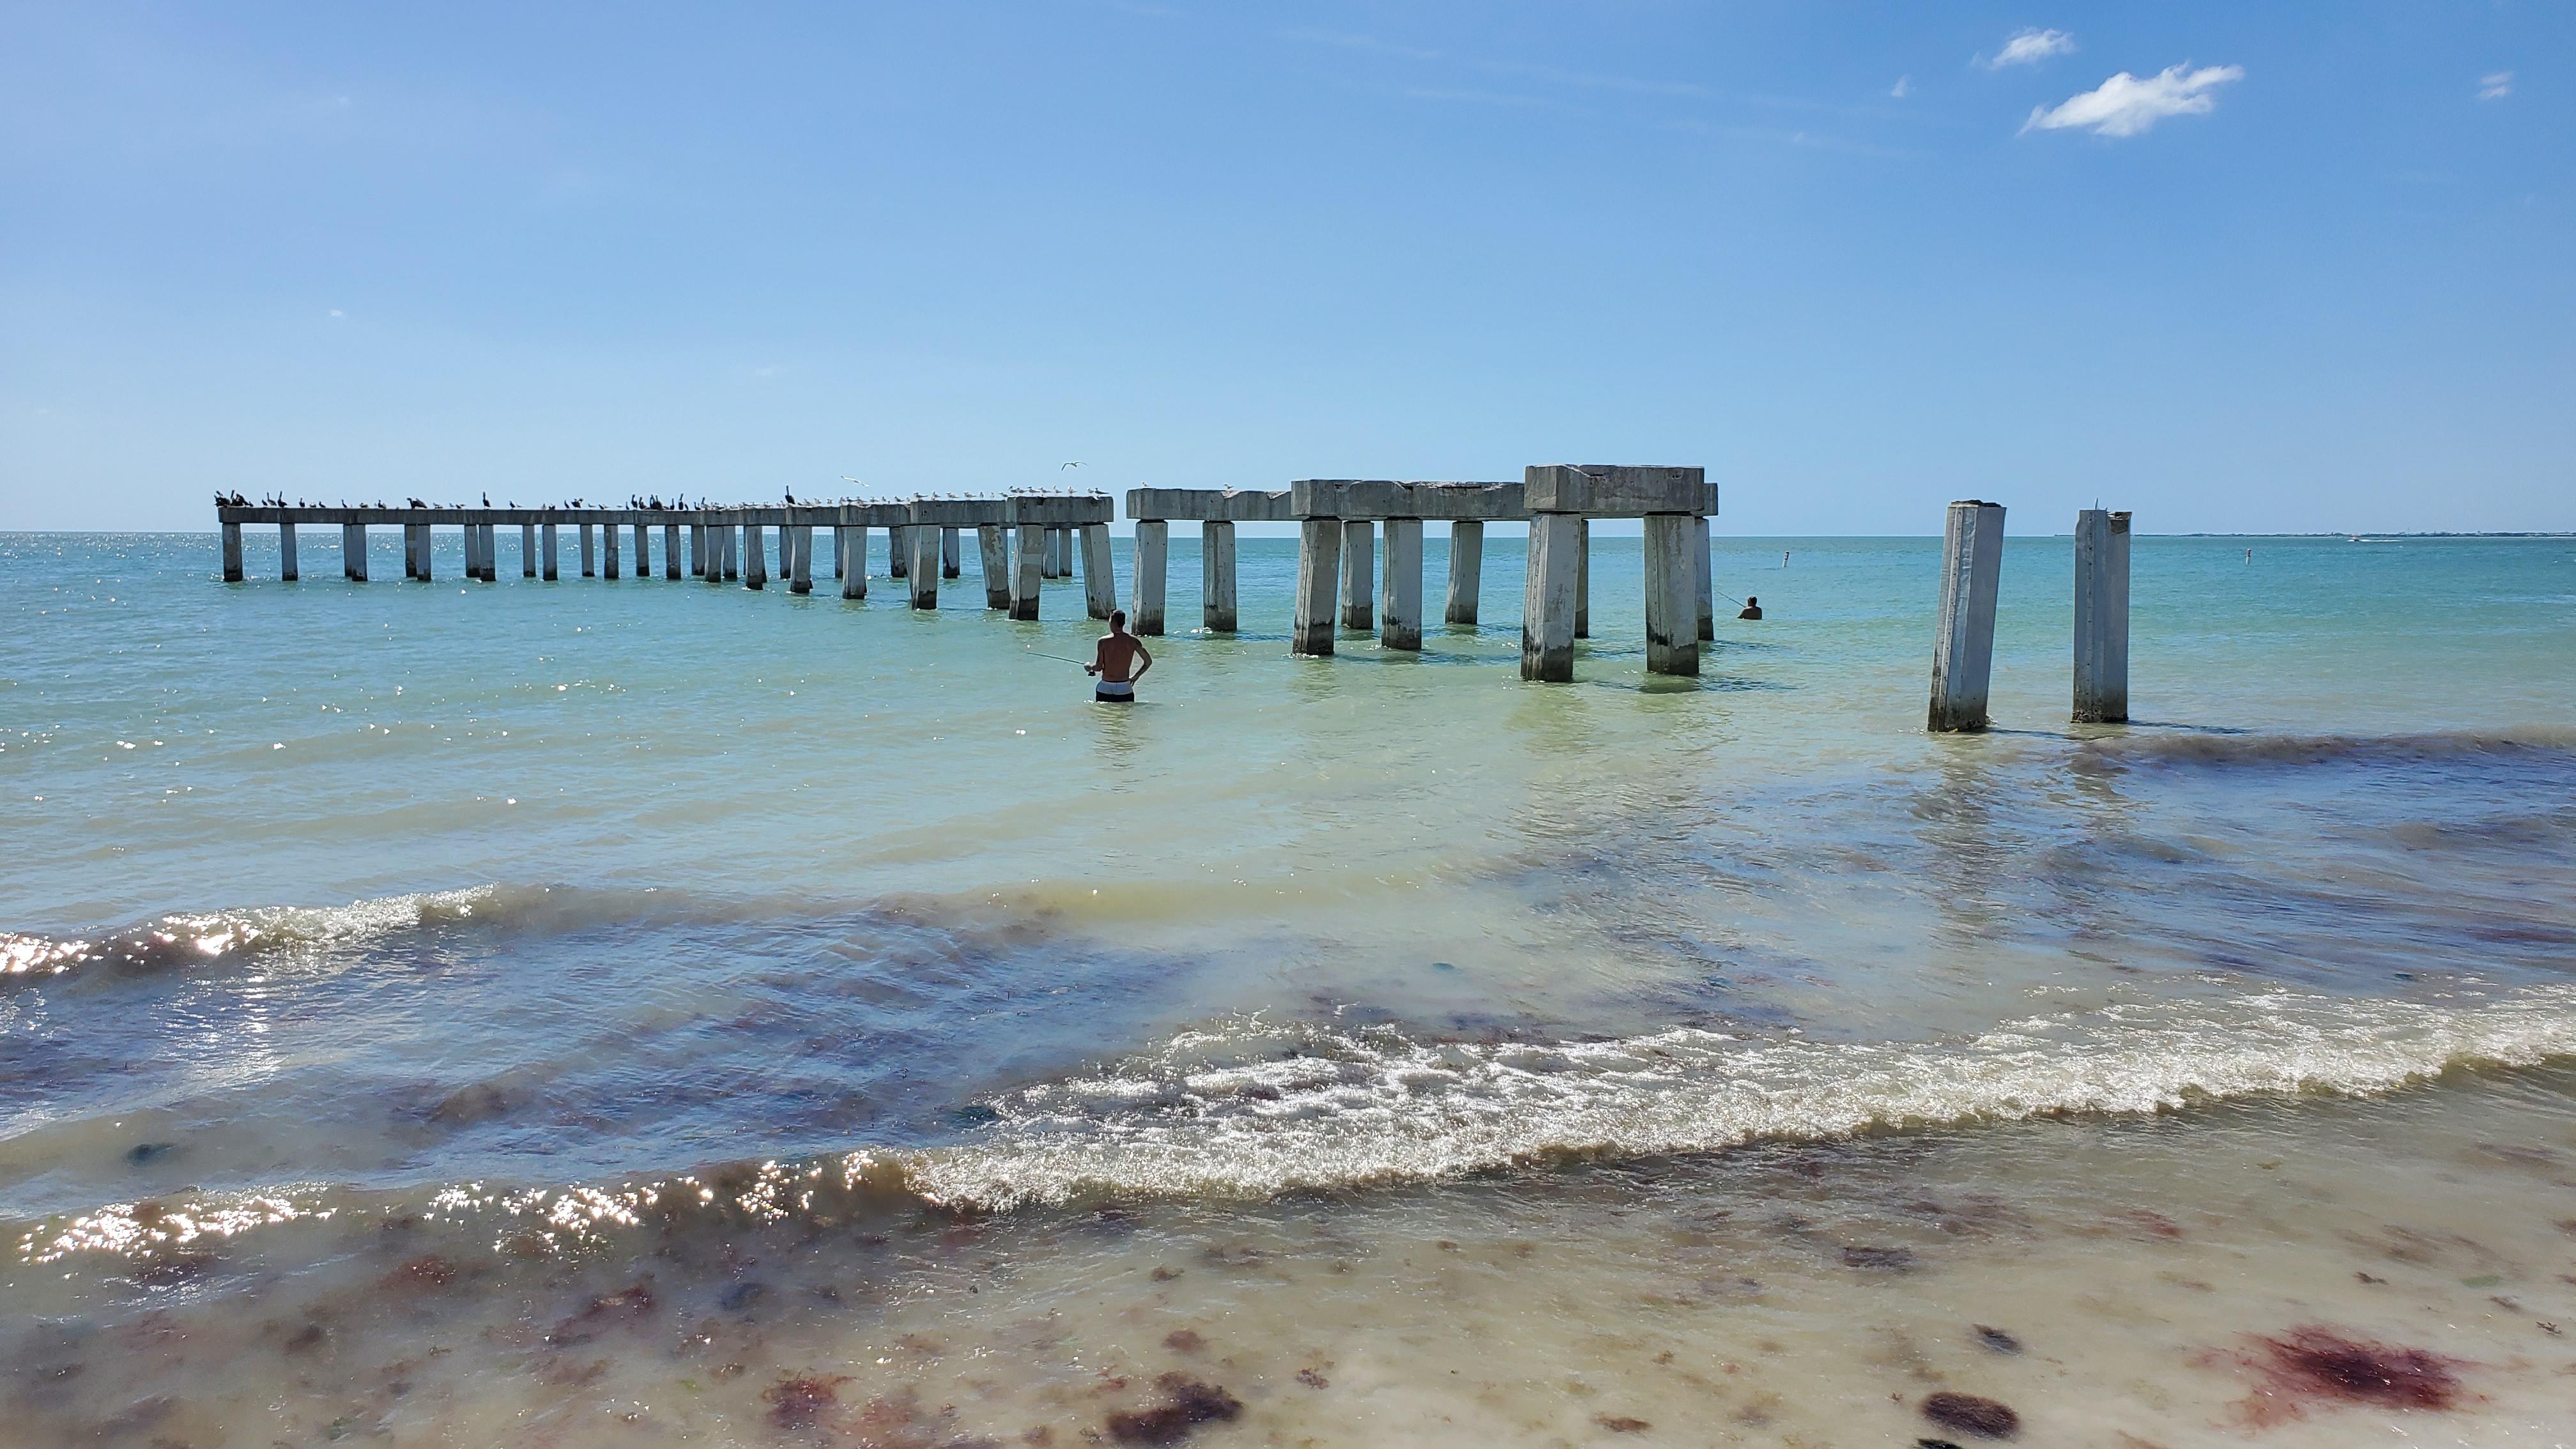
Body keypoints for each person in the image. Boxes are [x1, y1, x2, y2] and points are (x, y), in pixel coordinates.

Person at [1087, 610, 1153, 702]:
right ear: (1124, 623)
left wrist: (1089, 666)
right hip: (1124, 688)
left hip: (1106, 687)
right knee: (1125, 715)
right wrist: (1135, 677)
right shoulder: (1133, 641)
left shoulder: (1103, 642)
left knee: (1104, 716)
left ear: (1112, 622)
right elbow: (1148, 662)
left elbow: (1098, 668)